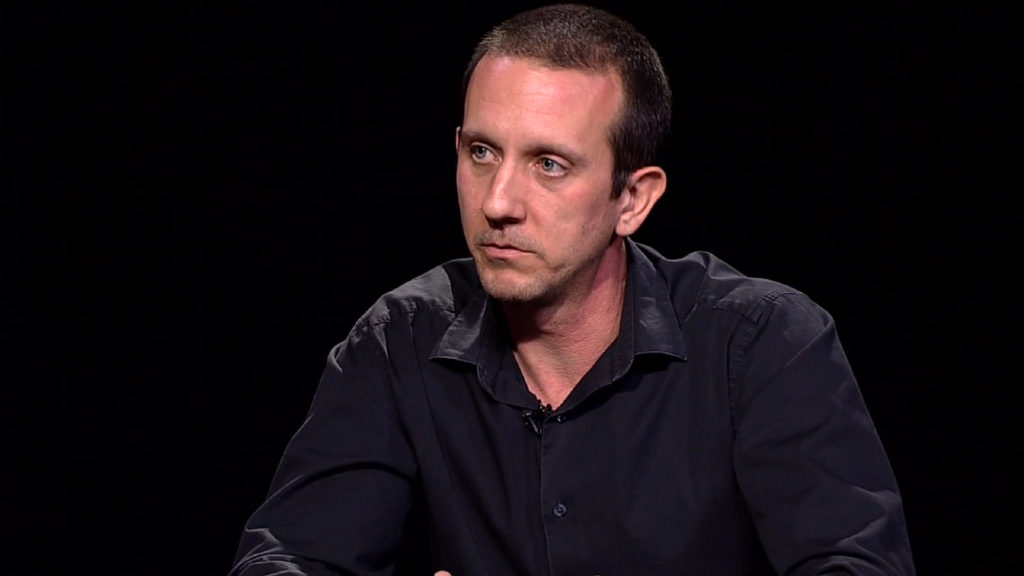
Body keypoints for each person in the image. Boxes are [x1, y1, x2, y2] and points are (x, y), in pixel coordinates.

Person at [228, 3, 915, 575]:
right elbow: (285, 558)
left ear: (633, 200)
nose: (498, 202)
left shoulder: (762, 343)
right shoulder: (399, 341)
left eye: (549, 165)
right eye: (482, 153)